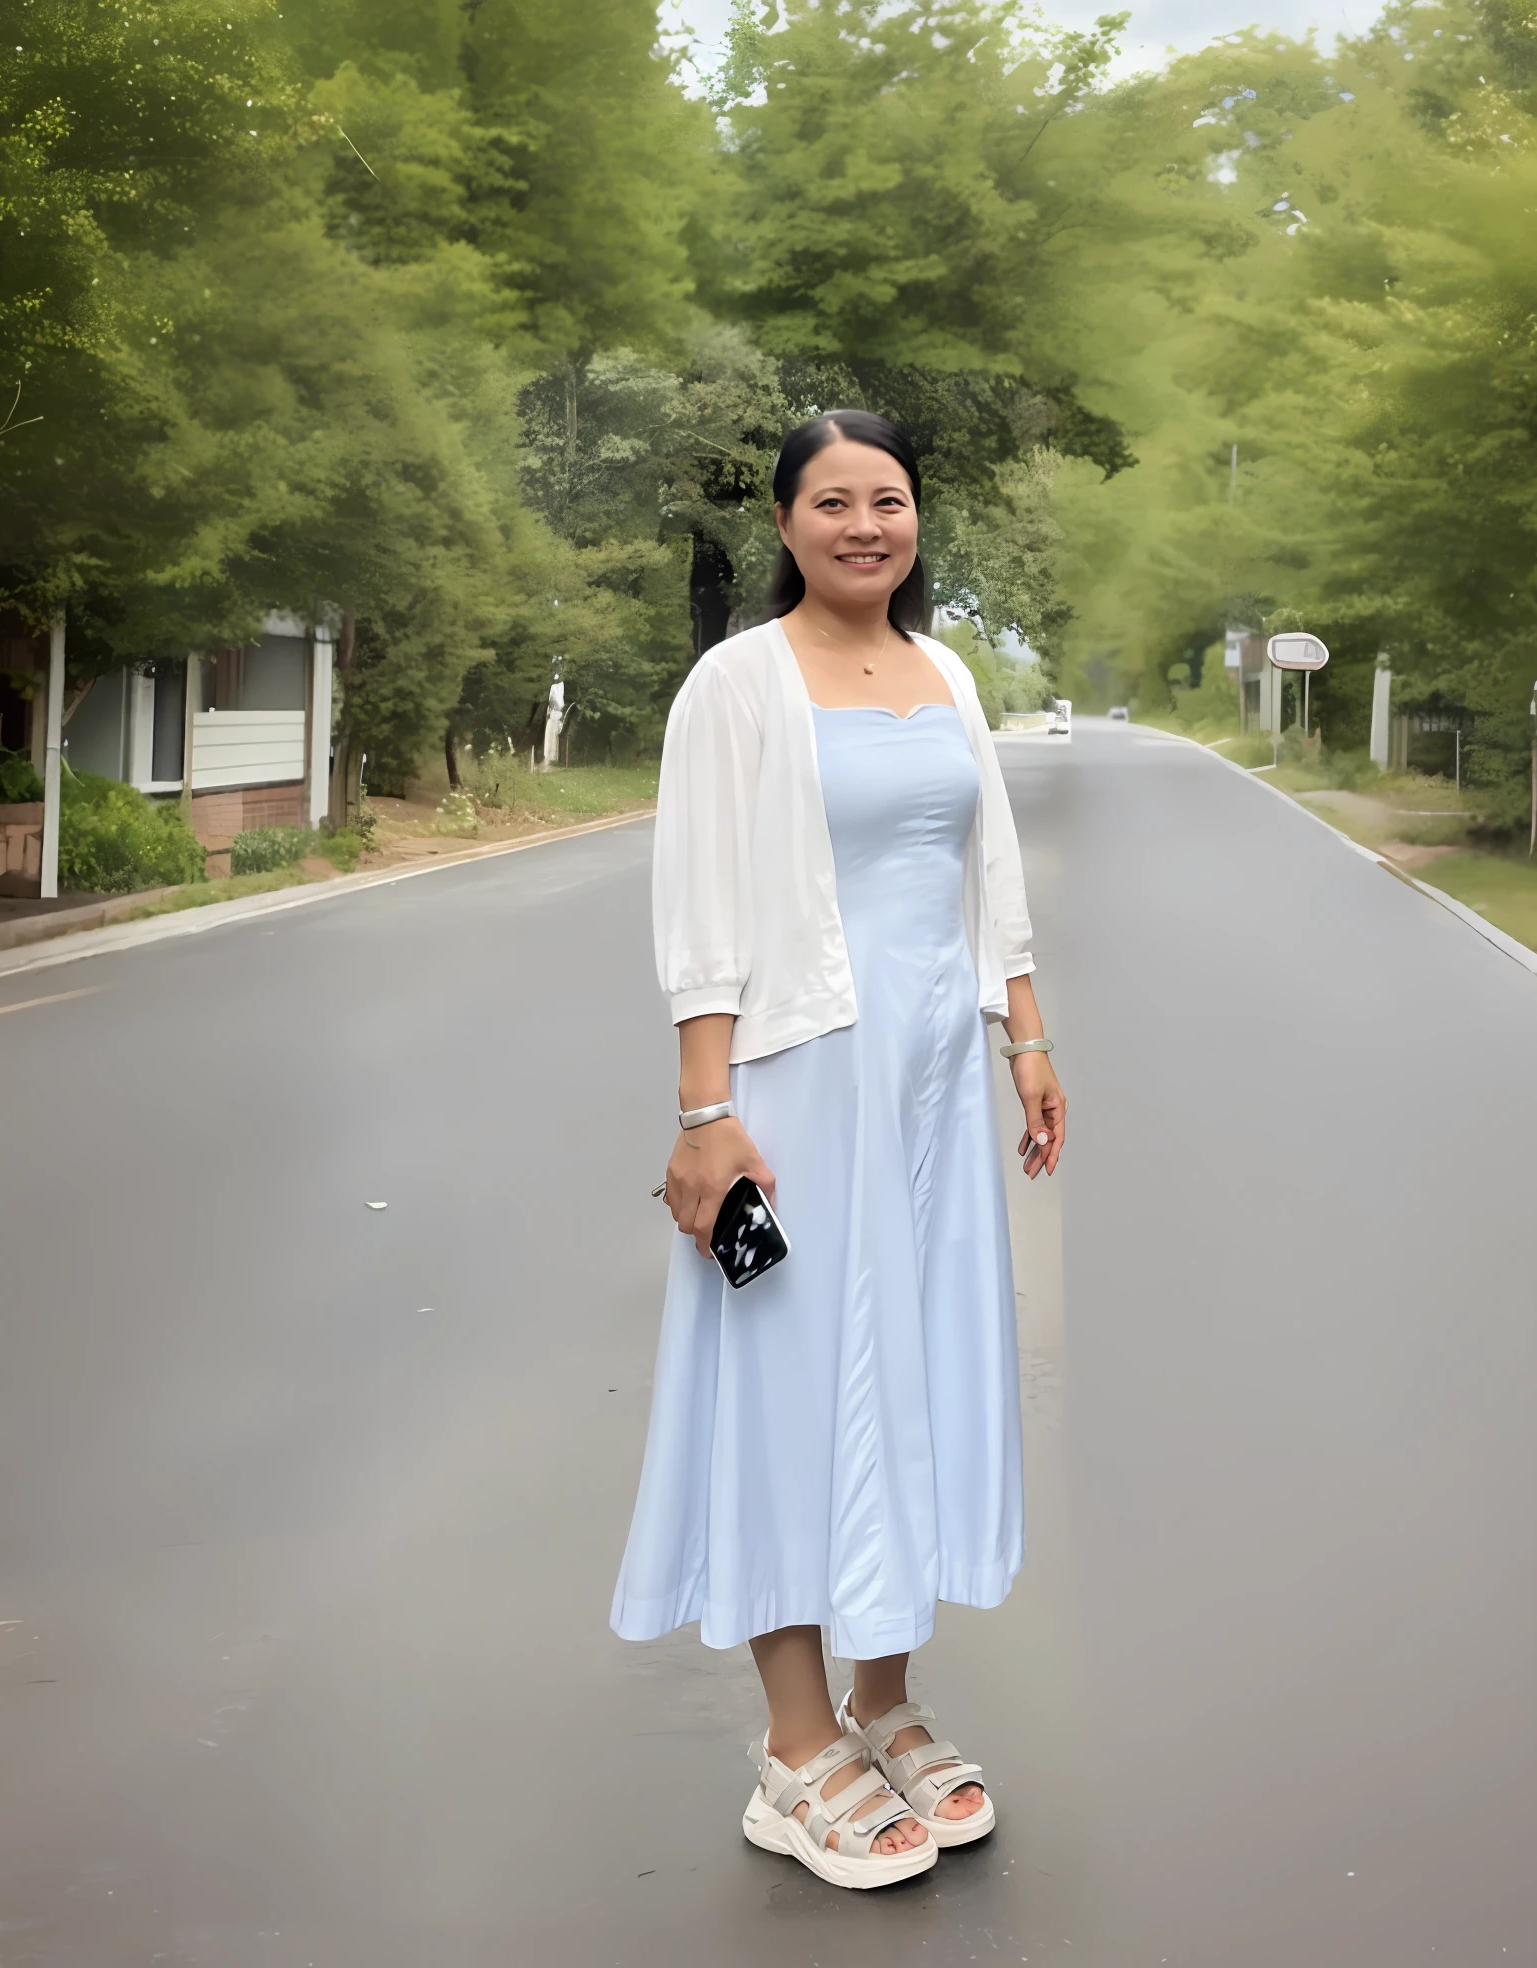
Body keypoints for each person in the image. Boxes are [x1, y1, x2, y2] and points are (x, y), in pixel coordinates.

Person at [611, 409, 1066, 1890]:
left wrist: (1027, 1037)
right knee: (791, 1388)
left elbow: (985, 869)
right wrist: (704, 1112)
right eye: (833, 502)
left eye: (890, 500)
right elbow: (700, 910)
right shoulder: (737, 684)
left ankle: (888, 1705)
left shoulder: (944, 673)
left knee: (914, 1377)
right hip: (798, 1085)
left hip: (930, 1093)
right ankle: (797, 1747)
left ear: (915, 516)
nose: (866, 524)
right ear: (788, 522)